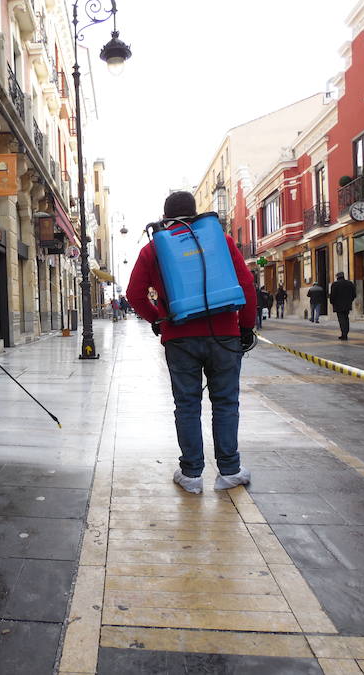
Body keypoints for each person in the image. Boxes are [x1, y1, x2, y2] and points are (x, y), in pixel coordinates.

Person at [126, 191, 257, 494]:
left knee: (187, 404)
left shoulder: (154, 248)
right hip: (224, 333)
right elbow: (247, 284)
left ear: (165, 215)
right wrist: (246, 326)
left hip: (179, 336)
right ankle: (229, 471)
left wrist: (158, 320)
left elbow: (134, 294)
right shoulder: (219, 240)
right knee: (225, 402)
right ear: (195, 212)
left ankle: (191, 475)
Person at [329, 271, 357, 340]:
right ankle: (345, 333)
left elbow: (332, 296)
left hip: (338, 306)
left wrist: (332, 302)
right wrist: (350, 300)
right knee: (346, 318)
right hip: (347, 304)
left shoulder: (335, 284)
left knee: (341, 320)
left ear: (337, 277)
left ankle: (344, 334)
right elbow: (354, 295)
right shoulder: (350, 283)